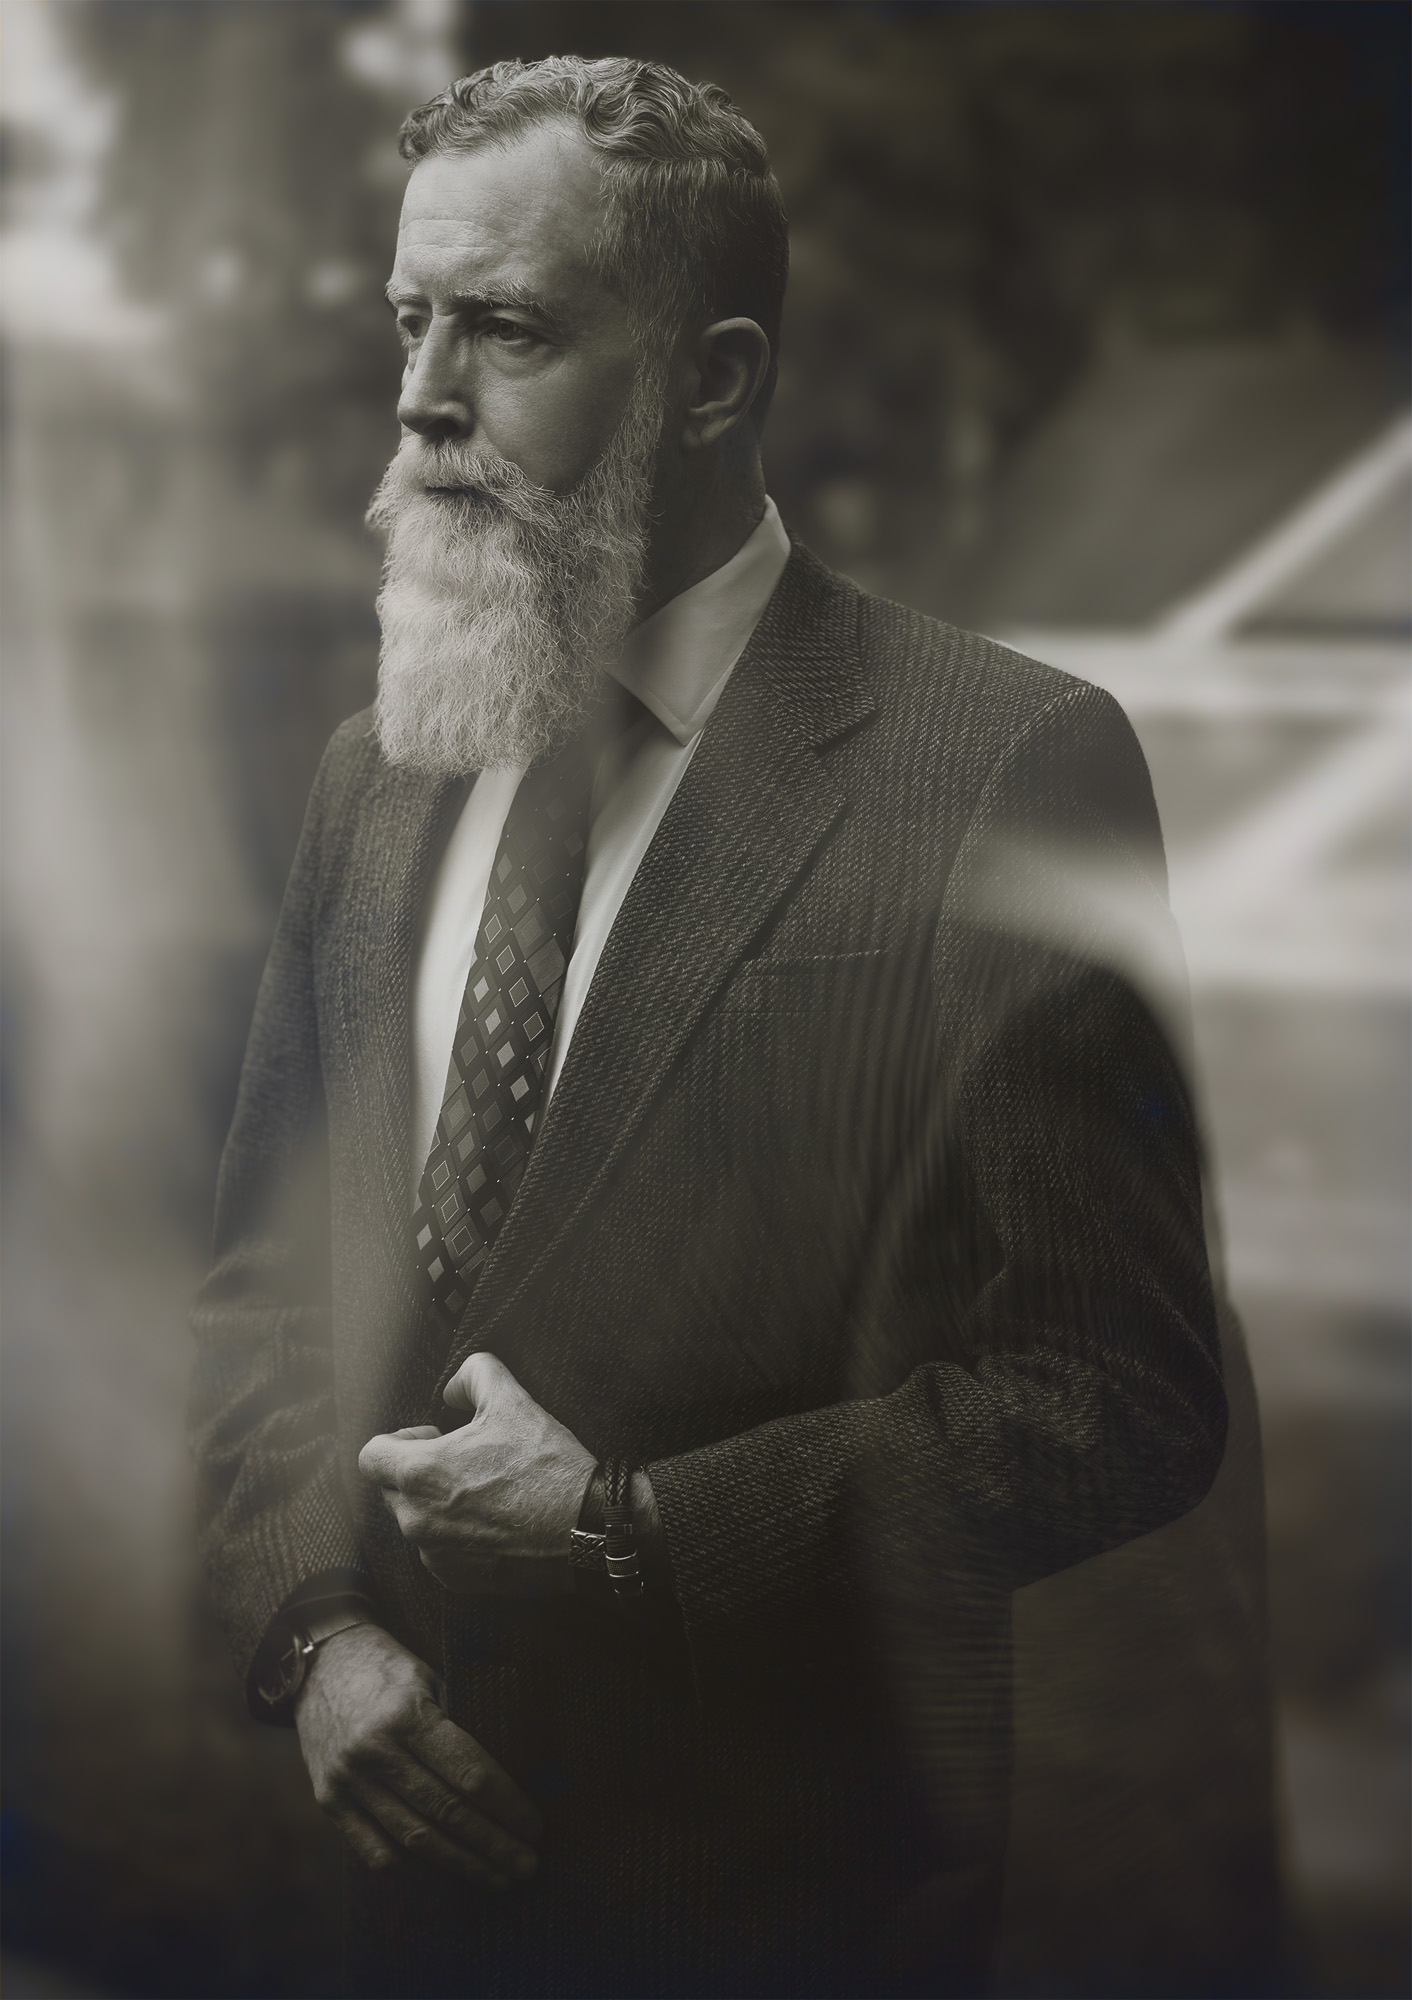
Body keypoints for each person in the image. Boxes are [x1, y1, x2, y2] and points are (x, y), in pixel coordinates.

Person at [191, 55, 1228, 1999]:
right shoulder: (377, 770)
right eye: (410, 320)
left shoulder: (997, 767)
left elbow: (1118, 1394)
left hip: (773, 1907)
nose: (422, 396)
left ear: (713, 379)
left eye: (507, 330)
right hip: (367, 1900)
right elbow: (262, 1284)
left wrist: (635, 1524)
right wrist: (315, 1635)